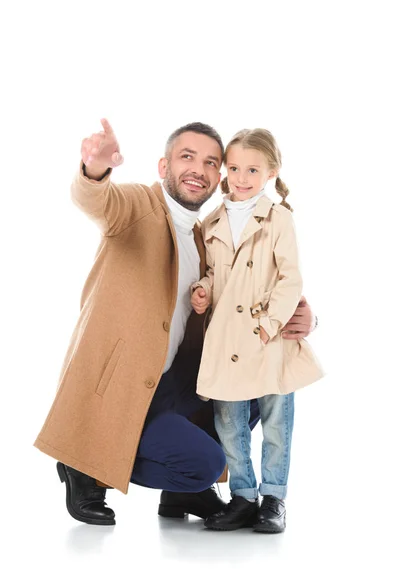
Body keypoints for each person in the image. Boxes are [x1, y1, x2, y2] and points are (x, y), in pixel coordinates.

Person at [34, 119, 318, 526]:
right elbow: (100, 201)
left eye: (210, 162)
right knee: (206, 462)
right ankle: (86, 463)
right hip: (128, 392)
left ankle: (183, 494)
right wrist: (94, 169)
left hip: (175, 387)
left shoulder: (209, 232)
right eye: (187, 157)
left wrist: (305, 317)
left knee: (260, 383)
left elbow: (252, 291)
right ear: (163, 167)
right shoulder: (137, 208)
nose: (198, 170)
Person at [191, 128, 323, 533]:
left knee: (276, 422)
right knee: (229, 423)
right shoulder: (212, 220)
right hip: (226, 339)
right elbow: (213, 271)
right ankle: (243, 497)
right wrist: (203, 290)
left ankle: (273, 498)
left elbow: (290, 278)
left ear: (271, 172)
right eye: (234, 168)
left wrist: (269, 327)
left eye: (252, 169)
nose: (241, 177)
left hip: (270, 340)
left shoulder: (278, 218)